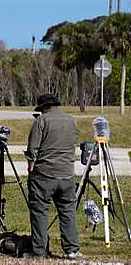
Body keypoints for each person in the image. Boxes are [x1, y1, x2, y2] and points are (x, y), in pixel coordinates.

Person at [24, 94, 82, 259]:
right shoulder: (72, 120)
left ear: (43, 107)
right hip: (67, 174)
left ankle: (39, 251)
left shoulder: (41, 121)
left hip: (44, 174)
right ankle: (72, 250)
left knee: (40, 212)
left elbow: (32, 148)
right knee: (68, 212)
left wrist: (31, 167)